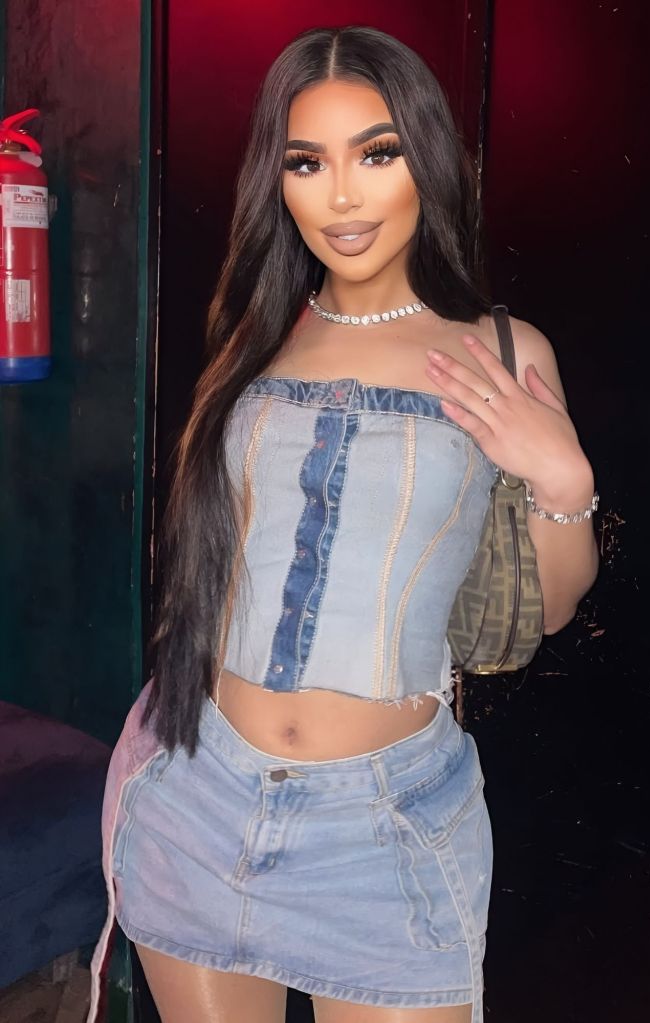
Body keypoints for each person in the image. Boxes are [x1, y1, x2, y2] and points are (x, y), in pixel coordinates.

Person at [88, 25, 599, 1023]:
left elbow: (545, 610)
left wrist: (562, 474)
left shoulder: (501, 352)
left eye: (376, 153)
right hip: (197, 793)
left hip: (384, 830)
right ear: (277, 182)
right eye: (306, 163)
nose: (342, 196)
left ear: (426, 159)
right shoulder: (254, 337)